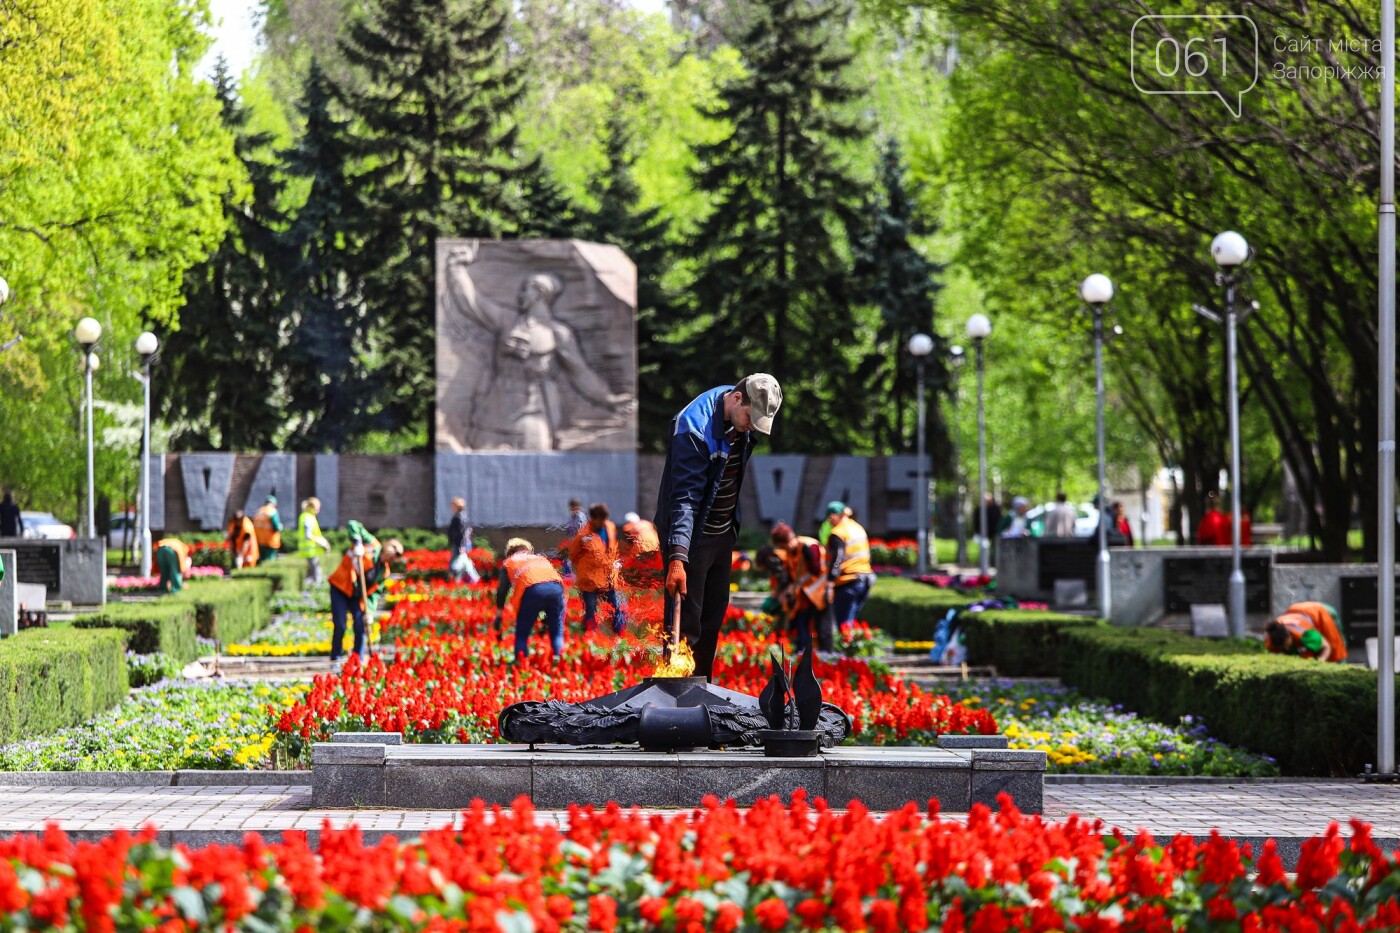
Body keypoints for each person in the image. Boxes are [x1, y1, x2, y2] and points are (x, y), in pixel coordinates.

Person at [443, 243, 634, 450]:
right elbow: (471, 303)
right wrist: (456, 268)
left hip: (533, 411)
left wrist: (609, 399)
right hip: (494, 411)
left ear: (539, 294)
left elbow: (581, 373)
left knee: (538, 454)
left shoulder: (558, 333)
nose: (521, 295)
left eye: (526, 290)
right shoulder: (507, 320)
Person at [656, 374, 783, 680]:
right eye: (749, 418)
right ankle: (675, 695)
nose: (751, 427)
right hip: (692, 540)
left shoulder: (740, 414)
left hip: (722, 533)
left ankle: (702, 692)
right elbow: (685, 499)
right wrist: (678, 557)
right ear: (737, 399)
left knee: (713, 619)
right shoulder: (693, 429)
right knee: (686, 626)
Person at [327, 526, 401, 665]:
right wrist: (356, 541)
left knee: (361, 623)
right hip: (341, 587)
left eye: (393, 558)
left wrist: (371, 613)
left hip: (357, 595)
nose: (390, 558)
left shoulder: (384, 571)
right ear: (387, 547)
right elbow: (353, 524)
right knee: (341, 623)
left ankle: (357, 659)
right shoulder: (372, 544)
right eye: (391, 553)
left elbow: (375, 594)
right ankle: (335, 657)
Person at [494, 538, 566, 660]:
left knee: (522, 633)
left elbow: (502, 590)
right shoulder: (539, 558)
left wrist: (499, 614)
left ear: (510, 553)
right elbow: (548, 583)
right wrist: (545, 621)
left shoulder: (509, 562)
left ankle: (521, 664)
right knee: (556, 632)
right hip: (557, 589)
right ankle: (559, 662)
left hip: (532, 589)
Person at [771, 523, 834, 653]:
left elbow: (816, 570)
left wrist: (809, 557)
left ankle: (826, 655)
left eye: (785, 545)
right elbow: (792, 575)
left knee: (822, 627)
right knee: (802, 625)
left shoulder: (810, 545)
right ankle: (804, 653)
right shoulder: (790, 553)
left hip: (820, 592)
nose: (785, 549)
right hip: (804, 595)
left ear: (789, 539)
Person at [569, 502, 626, 634]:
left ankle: (619, 637)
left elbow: (613, 548)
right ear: (593, 518)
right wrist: (588, 566)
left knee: (616, 608)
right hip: (590, 581)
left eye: (603, 519)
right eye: (599, 519)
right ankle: (590, 639)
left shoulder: (610, 527)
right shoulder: (583, 535)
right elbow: (573, 555)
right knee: (591, 610)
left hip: (608, 578)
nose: (602, 522)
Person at [825, 501, 876, 625]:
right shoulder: (858, 528)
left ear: (834, 516)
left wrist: (830, 582)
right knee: (850, 621)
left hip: (848, 581)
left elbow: (837, 558)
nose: (829, 522)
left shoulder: (838, 532)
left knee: (844, 624)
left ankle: (847, 644)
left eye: (829, 518)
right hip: (865, 579)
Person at [1266, 602, 1346, 662]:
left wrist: (1319, 662)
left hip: (1321, 611)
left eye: (1286, 645)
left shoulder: (1305, 633)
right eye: (1283, 648)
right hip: (1297, 609)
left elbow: (1326, 647)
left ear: (1290, 635)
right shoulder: (1273, 635)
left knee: (1337, 646)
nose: (1286, 649)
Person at [296, 497, 332, 585]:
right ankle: (316, 589)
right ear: (311, 507)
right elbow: (308, 535)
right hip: (310, 549)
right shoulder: (308, 518)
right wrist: (321, 543)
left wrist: (324, 541)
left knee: (310, 572)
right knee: (316, 572)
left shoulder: (307, 516)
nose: (318, 511)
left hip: (310, 549)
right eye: (317, 509)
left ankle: (308, 589)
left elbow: (315, 534)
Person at [446, 497, 480, 584]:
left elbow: (461, 533)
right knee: (459, 564)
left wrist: (462, 546)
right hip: (462, 545)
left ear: (456, 506)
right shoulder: (464, 517)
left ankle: (456, 581)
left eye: (453, 506)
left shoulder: (458, 518)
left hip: (459, 545)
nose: (451, 508)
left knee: (455, 565)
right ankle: (459, 580)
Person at [252, 495, 283, 563]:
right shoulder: (272, 512)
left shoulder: (259, 511)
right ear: (273, 503)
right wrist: (280, 527)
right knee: (269, 561)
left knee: (261, 560)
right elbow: (276, 527)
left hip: (259, 540)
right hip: (270, 541)